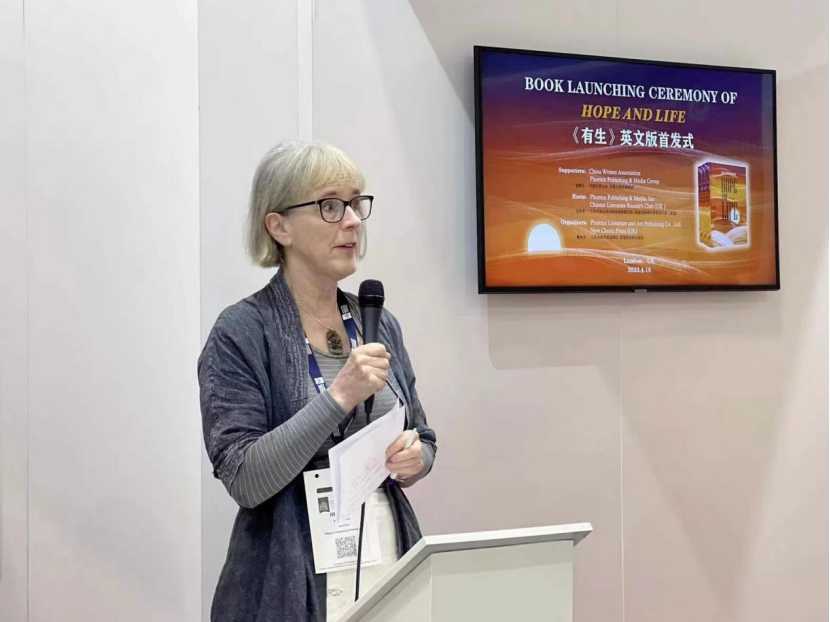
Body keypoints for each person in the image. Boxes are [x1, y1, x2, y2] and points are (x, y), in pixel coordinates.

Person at [198, 140, 437, 621]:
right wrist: (340, 396)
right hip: (285, 584)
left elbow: (424, 434)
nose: (352, 221)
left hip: (386, 565)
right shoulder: (241, 332)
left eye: (355, 203)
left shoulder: (377, 320)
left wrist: (418, 457)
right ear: (279, 226)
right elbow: (244, 477)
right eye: (330, 206)